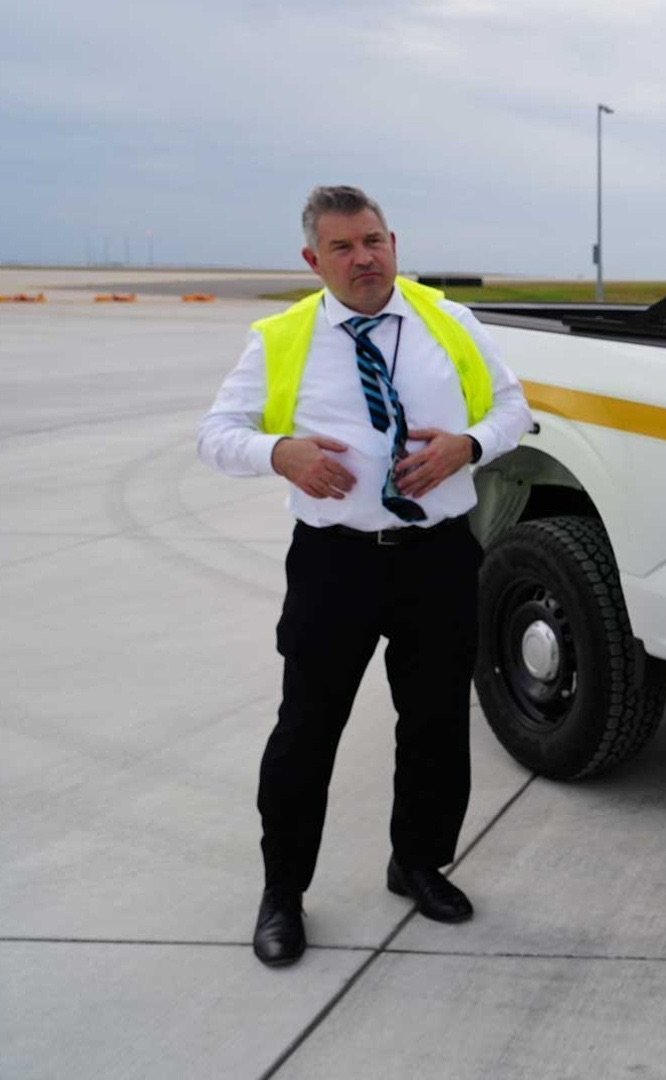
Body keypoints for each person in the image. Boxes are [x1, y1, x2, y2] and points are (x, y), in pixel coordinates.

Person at [198, 185, 532, 967]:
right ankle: (283, 892)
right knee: (306, 731)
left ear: (394, 243)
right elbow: (215, 434)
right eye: (343, 247)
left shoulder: (448, 321)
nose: (364, 258)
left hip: (438, 554)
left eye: (373, 241)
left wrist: (469, 446)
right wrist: (278, 452)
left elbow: (514, 409)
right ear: (313, 260)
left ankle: (417, 862)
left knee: (436, 723)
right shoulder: (281, 338)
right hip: (335, 563)